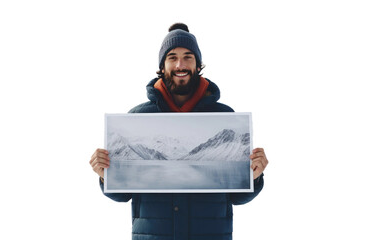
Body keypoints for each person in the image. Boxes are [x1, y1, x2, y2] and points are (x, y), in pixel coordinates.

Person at [89, 23, 268, 240]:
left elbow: (238, 198)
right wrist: (104, 175)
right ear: (162, 66)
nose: (180, 64)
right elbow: (122, 194)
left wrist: (254, 177)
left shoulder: (225, 117)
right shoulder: (136, 119)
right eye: (172, 57)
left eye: (188, 57)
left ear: (198, 64)